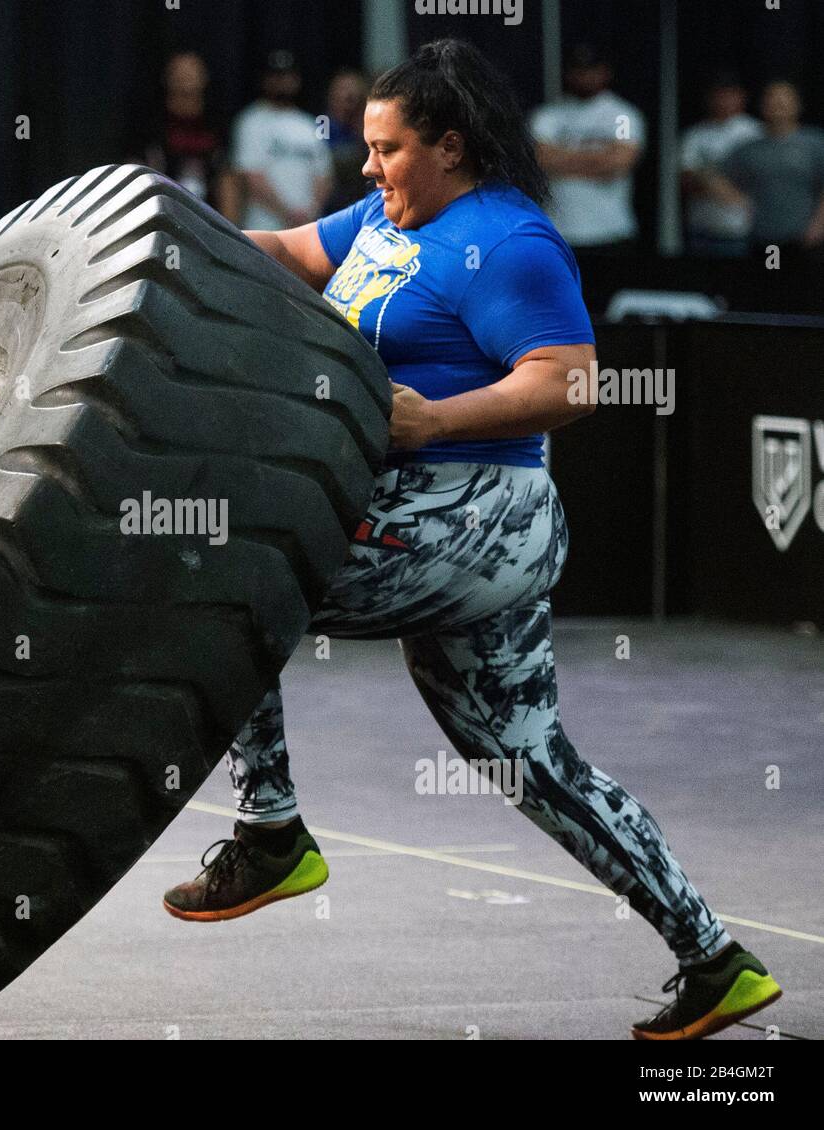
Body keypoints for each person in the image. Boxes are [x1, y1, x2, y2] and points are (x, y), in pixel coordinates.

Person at [162, 39, 782, 1041]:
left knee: (237, 567)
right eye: (366, 147)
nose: (368, 168)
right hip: (435, 528)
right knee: (529, 763)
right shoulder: (383, 216)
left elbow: (572, 380)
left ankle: (270, 827)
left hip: (480, 515)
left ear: (450, 146)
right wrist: (170, 228)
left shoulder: (510, 241)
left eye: (387, 148)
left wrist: (436, 420)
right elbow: (287, 252)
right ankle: (714, 958)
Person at [530, 44, 645, 251]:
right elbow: (540, 158)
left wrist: (560, 160)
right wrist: (599, 157)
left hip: (610, 230)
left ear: (605, 72)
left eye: (591, 69)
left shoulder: (622, 116)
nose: (585, 76)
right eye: (578, 69)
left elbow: (619, 163)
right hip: (558, 231)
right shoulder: (548, 116)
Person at [231, 49, 333, 231]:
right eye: (276, 76)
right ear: (265, 80)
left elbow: (324, 175)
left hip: (307, 228)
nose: (282, 82)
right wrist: (288, 213)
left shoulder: (312, 123)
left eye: (287, 75)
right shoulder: (251, 120)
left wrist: (310, 211)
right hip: (263, 228)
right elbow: (251, 177)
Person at [718, 80, 824, 254]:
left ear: (796, 105)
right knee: (769, 278)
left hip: (807, 236)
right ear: (763, 106)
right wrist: (735, 199)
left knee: (805, 280)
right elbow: (715, 175)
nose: (778, 105)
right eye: (772, 101)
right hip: (765, 238)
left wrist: (819, 224)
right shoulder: (749, 148)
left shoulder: (815, 142)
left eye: (783, 100)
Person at [133, 52, 234, 217]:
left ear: (204, 77)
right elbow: (136, 169)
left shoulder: (216, 121)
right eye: (179, 72)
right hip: (160, 210)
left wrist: (231, 229)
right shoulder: (151, 121)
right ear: (168, 78)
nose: (186, 77)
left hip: (209, 215)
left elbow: (227, 176)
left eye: (192, 72)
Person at [680, 72, 763, 257]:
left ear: (742, 96)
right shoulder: (695, 135)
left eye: (730, 94)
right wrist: (718, 186)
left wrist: (708, 177)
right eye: (719, 95)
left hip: (745, 230)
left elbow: (762, 180)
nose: (724, 100)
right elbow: (686, 181)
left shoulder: (756, 132)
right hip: (702, 228)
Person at [322, 67, 372, 212]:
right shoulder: (323, 121)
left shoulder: (365, 123)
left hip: (359, 197)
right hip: (331, 199)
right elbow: (321, 154)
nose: (348, 95)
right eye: (342, 89)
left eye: (352, 90)